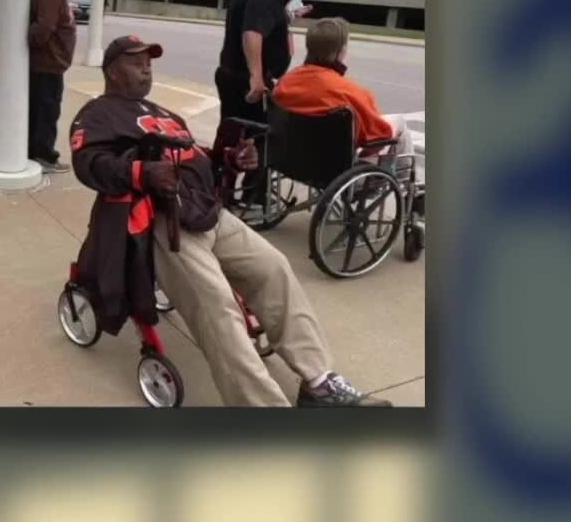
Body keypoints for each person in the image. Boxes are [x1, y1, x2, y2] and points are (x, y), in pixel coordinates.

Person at [69, 35, 392, 407]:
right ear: (112, 70)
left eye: (150, 62)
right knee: (218, 308)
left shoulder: (164, 113)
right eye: (135, 61)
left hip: (206, 212)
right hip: (161, 220)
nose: (146, 68)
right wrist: (142, 171)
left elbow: (197, 160)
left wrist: (232, 160)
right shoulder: (98, 113)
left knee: (274, 268)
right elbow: (88, 163)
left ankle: (319, 382)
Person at [271, 17, 418, 165]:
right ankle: (404, 179)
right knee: (398, 123)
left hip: (294, 162)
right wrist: (364, 159)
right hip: (336, 170)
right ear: (340, 52)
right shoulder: (349, 92)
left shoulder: (285, 83)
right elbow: (380, 137)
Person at [215, 0, 313, 127]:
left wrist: (286, 16)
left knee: (233, 133)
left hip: (236, 76)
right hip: (245, 82)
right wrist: (256, 77)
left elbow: (262, 24)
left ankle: (222, 156)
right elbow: (252, 33)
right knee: (248, 139)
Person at [27, 0, 83, 174]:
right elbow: (42, 29)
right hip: (46, 66)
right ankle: (43, 156)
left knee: (41, 111)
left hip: (48, 65)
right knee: (46, 113)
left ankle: (36, 152)